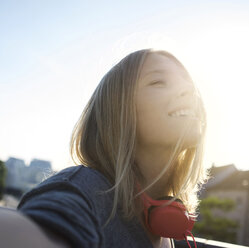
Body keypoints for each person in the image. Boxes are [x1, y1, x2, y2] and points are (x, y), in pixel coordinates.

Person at [17, 49, 208, 248]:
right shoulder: (81, 193)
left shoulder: (163, 227)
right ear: (118, 112)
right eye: (158, 82)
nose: (189, 89)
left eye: (189, 83)